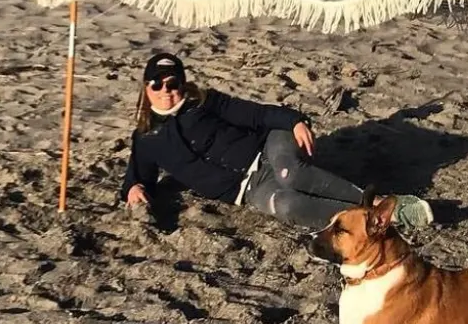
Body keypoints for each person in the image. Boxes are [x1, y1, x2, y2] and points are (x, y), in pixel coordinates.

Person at [121, 49, 433, 232]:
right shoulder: (147, 138)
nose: (165, 89)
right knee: (286, 204)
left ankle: (382, 204)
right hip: (248, 190)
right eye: (156, 83)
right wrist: (134, 188)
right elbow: (136, 178)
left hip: (269, 148)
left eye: (172, 82)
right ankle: (363, 220)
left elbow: (256, 114)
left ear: (182, 82)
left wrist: (294, 121)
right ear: (146, 88)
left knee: (291, 175)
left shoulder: (205, 102)